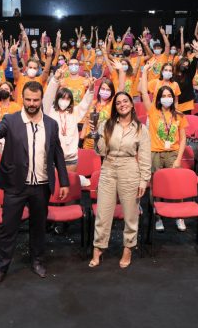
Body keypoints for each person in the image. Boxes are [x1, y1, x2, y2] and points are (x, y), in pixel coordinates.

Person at [0, 81, 69, 287]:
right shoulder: (10, 120)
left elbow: (57, 154)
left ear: (41, 99)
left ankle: (37, 261)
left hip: (41, 186)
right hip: (15, 185)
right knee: (8, 229)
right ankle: (1, 267)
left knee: (38, 228)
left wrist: (63, 180)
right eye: (27, 99)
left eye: (36, 100)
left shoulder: (51, 124)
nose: (31, 103)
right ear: (22, 98)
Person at [88, 91, 151, 268]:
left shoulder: (141, 129)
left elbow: (145, 157)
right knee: (103, 212)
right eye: (118, 103)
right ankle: (98, 247)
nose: (122, 104)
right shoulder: (106, 125)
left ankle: (128, 248)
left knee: (130, 214)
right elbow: (100, 152)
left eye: (125, 101)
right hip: (108, 168)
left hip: (130, 169)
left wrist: (143, 180)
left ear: (132, 104)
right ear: (115, 107)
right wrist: (95, 136)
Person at [139, 62, 188, 232]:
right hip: (154, 153)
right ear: (159, 98)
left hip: (173, 154)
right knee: (155, 186)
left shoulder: (179, 115)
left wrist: (179, 159)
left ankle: (179, 216)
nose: (167, 97)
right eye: (163, 95)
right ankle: (158, 215)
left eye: (169, 95)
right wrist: (144, 71)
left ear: (173, 97)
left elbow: (183, 140)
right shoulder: (152, 111)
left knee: (176, 184)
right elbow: (144, 93)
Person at [43, 66, 94, 171]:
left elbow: (85, 104)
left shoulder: (74, 112)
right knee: (54, 186)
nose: (64, 101)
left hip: (71, 158)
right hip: (53, 157)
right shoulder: (49, 111)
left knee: (68, 185)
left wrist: (91, 89)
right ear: (57, 99)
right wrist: (55, 80)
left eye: (67, 99)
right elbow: (48, 97)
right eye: (62, 98)